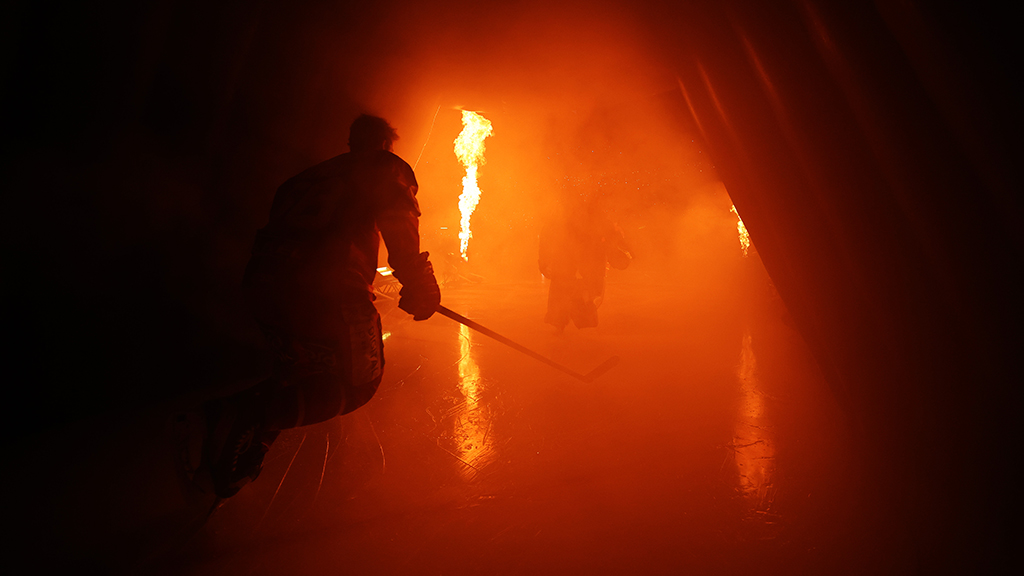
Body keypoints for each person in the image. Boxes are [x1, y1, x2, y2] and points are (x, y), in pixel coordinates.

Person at [203, 114, 440, 498]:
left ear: (350, 142)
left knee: (298, 375)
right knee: (356, 382)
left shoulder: (302, 179)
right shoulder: (384, 165)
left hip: (264, 283)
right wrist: (420, 283)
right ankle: (239, 417)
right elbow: (397, 218)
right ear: (385, 144)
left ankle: (236, 452)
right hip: (328, 289)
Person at [539, 193, 631, 332]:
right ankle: (561, 321)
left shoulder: (594, 217)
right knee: (564, 289)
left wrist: (619, 254)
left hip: (584, 264)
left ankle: (566, 319)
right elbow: (548, 235)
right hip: (568, 262)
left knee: (580, 291)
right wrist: (544, 260)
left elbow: (609, 236)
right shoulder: (563, 218)